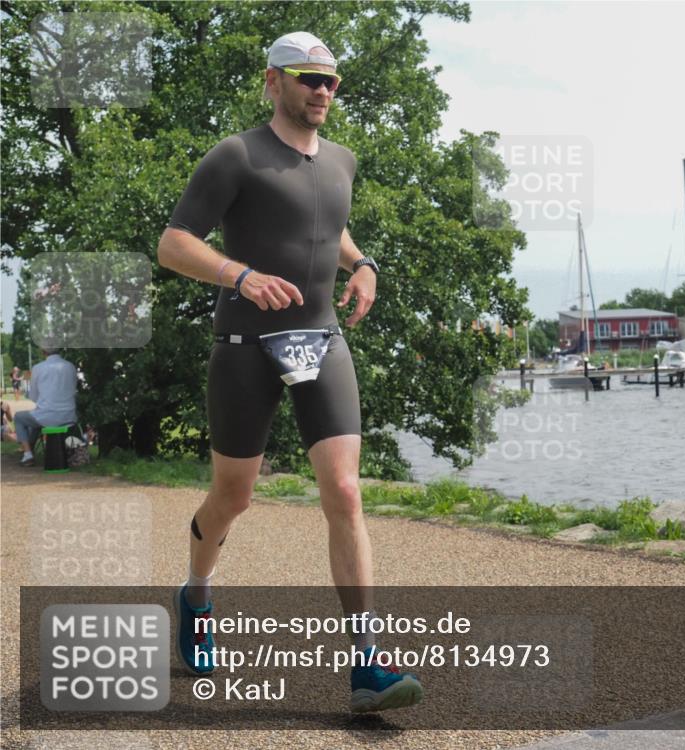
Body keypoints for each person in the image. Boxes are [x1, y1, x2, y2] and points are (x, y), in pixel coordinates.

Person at [156, 31, 422, 713]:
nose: (322, 91)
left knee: (344, 489)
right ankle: (197, 592)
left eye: (332, 81)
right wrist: (236, 275)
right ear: (273, 81)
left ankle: (367, 662)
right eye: (308, 79)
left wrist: (361, 264)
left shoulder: (342, 161)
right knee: (234, 497)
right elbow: (173, 242)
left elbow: (325, 225)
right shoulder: (237, 156)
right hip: (246, 342)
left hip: (322, 339)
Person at [13, 349, 77, 466]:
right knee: (35, 420)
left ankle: (28, 454)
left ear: (43, 352)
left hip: (48, 416)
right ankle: (29, 451)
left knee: (19, 417)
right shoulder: (70, 366)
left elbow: (34, 397)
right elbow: (74, 389)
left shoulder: (38, 368)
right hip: (69, 415)